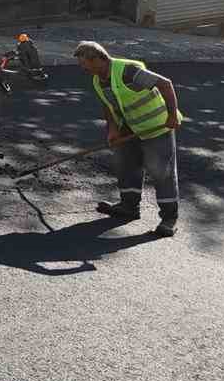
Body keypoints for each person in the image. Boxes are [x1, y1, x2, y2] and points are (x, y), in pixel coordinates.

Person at [73, 41, 184, 237]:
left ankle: (169, 219)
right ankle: (129, 207)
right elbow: (108, 106)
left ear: (99, 59)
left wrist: (172, 115)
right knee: (126, 165)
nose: (83, 69)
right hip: (129, 128)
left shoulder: (128, 71)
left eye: (85, 64)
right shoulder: (98, 80)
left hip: (157, 127)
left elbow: (165, 84)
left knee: (161, 172)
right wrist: (113, 130)